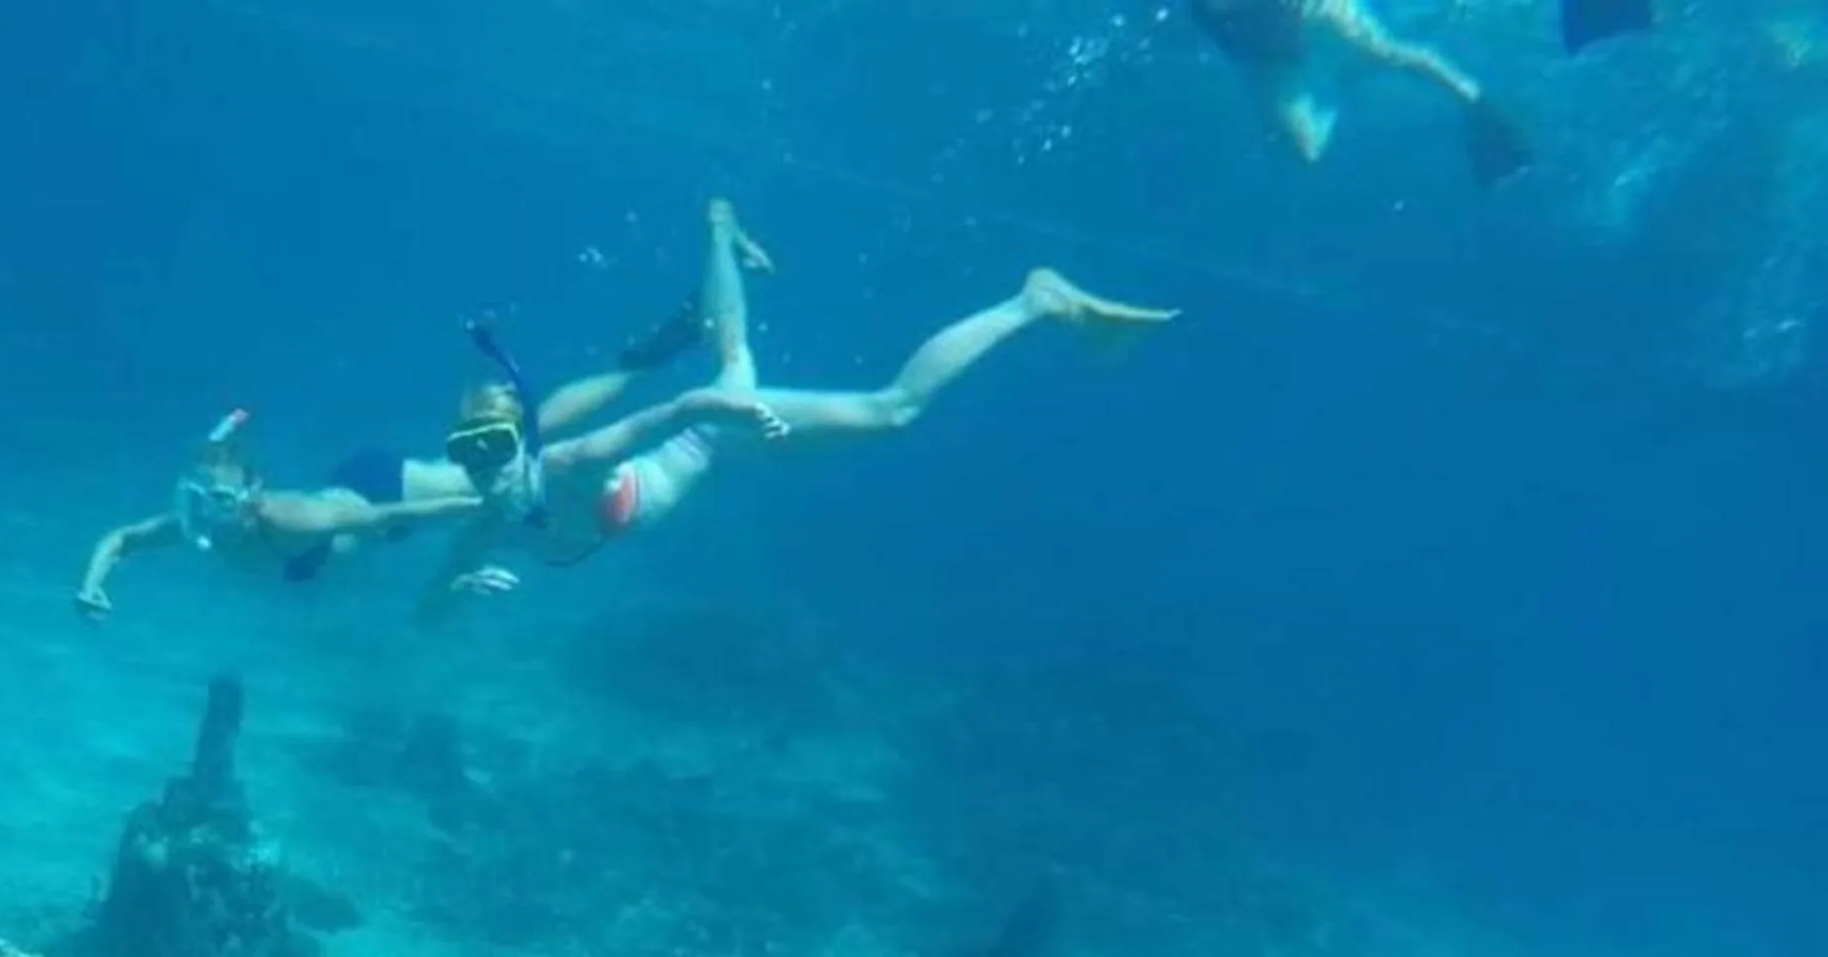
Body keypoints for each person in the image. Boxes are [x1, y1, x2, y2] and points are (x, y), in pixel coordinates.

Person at [419, 199, 1175, 617]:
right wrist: (454, 591)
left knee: (891, 411)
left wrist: (742, 418)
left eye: (491, 447)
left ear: (523, 440)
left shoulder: (572, 462)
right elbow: (427, 613)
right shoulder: (488, 523)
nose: (480, 468)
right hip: (705, 446)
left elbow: (678, 411)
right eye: (466, 453)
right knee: (736, 352)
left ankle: (1032, 300)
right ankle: (719, 229)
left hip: (712, 432)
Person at [72, 291, 720, 618]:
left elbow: (378, 522)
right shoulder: (196, 526)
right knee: (519, 445)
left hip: (384, 495)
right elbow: (122, 538)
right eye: (199, 503)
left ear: (251, 498)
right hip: (365, 501)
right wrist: (91, 585)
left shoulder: (290, 520)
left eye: (219, 503)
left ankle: (641, 362)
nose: (208, 517)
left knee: (523, 440)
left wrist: (486, 502)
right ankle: (637, 363)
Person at [1185, 0, 1532, 186]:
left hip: (1309, 17)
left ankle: (1476, 100)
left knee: (1385, 53)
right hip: (1264, 52)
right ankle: (1342, 80)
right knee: (1306, 150)